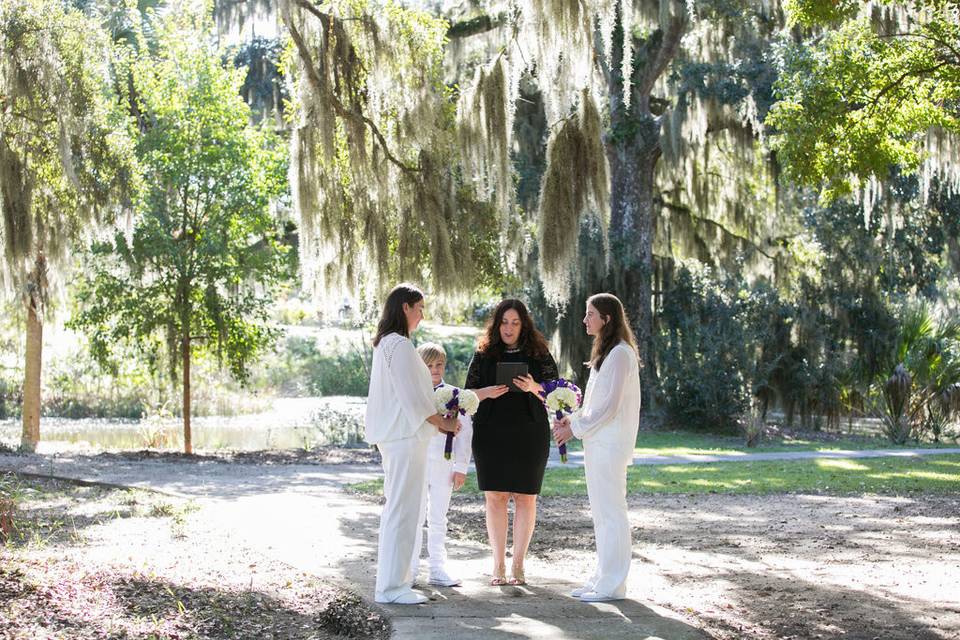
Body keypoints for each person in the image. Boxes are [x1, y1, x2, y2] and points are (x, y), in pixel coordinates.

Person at [365, 283, 459, 605]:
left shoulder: (387, 344)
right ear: (405, 307)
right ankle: (393, 588)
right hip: (404, 438)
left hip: (400, 439)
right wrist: (443, 422)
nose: (422, 315)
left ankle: (398, 582)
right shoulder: (400, 346)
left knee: (403, 509)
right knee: (404, 511)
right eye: (419, 308)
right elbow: (413, 399)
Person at [552, 293, 640, 602]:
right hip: (597, 442)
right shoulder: (608, 353)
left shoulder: (620, 354)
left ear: (607, 318)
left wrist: (573, 428)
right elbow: (594, 405)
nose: (585, 319)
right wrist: (573, 423)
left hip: (610, 444)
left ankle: (614, 584)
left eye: (591, 314)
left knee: (612, 512)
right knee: (602, 513)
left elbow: (610, 407)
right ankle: (603, 577)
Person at [465, 299, 558, 586]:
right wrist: (487, 393)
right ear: (497, 324)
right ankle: (498, 565)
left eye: (515, 322)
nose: (509, 328)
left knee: (525, 497)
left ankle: (518, 564)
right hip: (491, 431)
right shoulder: (483, 354)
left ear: (523, 325)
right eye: (504, 322)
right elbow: (467, 395)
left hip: (529, 432)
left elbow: (556, 395)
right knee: (495, 497)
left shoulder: (540, 353)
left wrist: (534, 387)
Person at [409, 342, 474, 588]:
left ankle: (437, 567)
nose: (434, 370)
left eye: (439, 365)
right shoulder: (414, 394)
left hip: (444, 464)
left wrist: (461, 467)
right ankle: (411, 568)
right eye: (429, 366)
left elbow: (465, 434)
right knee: (415, 516)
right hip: (417, 461)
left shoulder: (457, 396)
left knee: (438, 516)